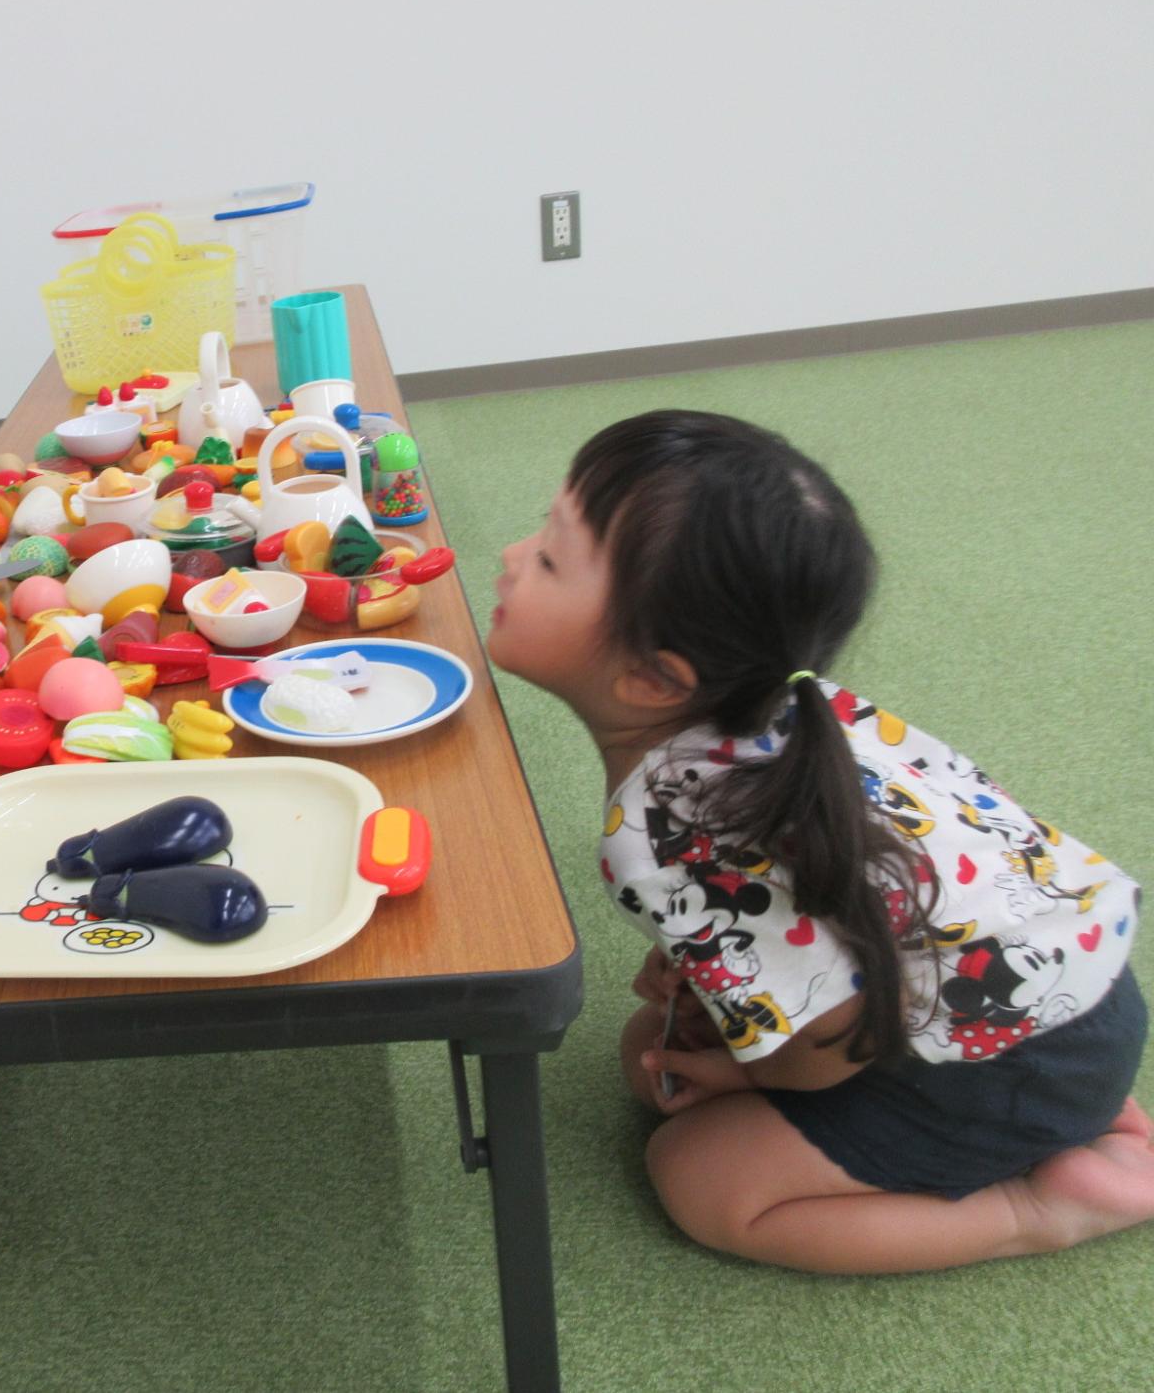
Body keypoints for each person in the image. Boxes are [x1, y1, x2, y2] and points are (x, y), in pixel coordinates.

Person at [486, 407, 1151, 1273]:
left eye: (547, 558)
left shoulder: (667, 834)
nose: (509, 554)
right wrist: (708, 972)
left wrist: (752, 1075)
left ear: (654, 676)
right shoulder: (797, 706)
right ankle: (1076, 1103)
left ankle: (1040, 1202)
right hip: (1073, 996)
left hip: (1014, 1065)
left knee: (698, 1172)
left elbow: (840, 1039)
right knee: (653, 1047)